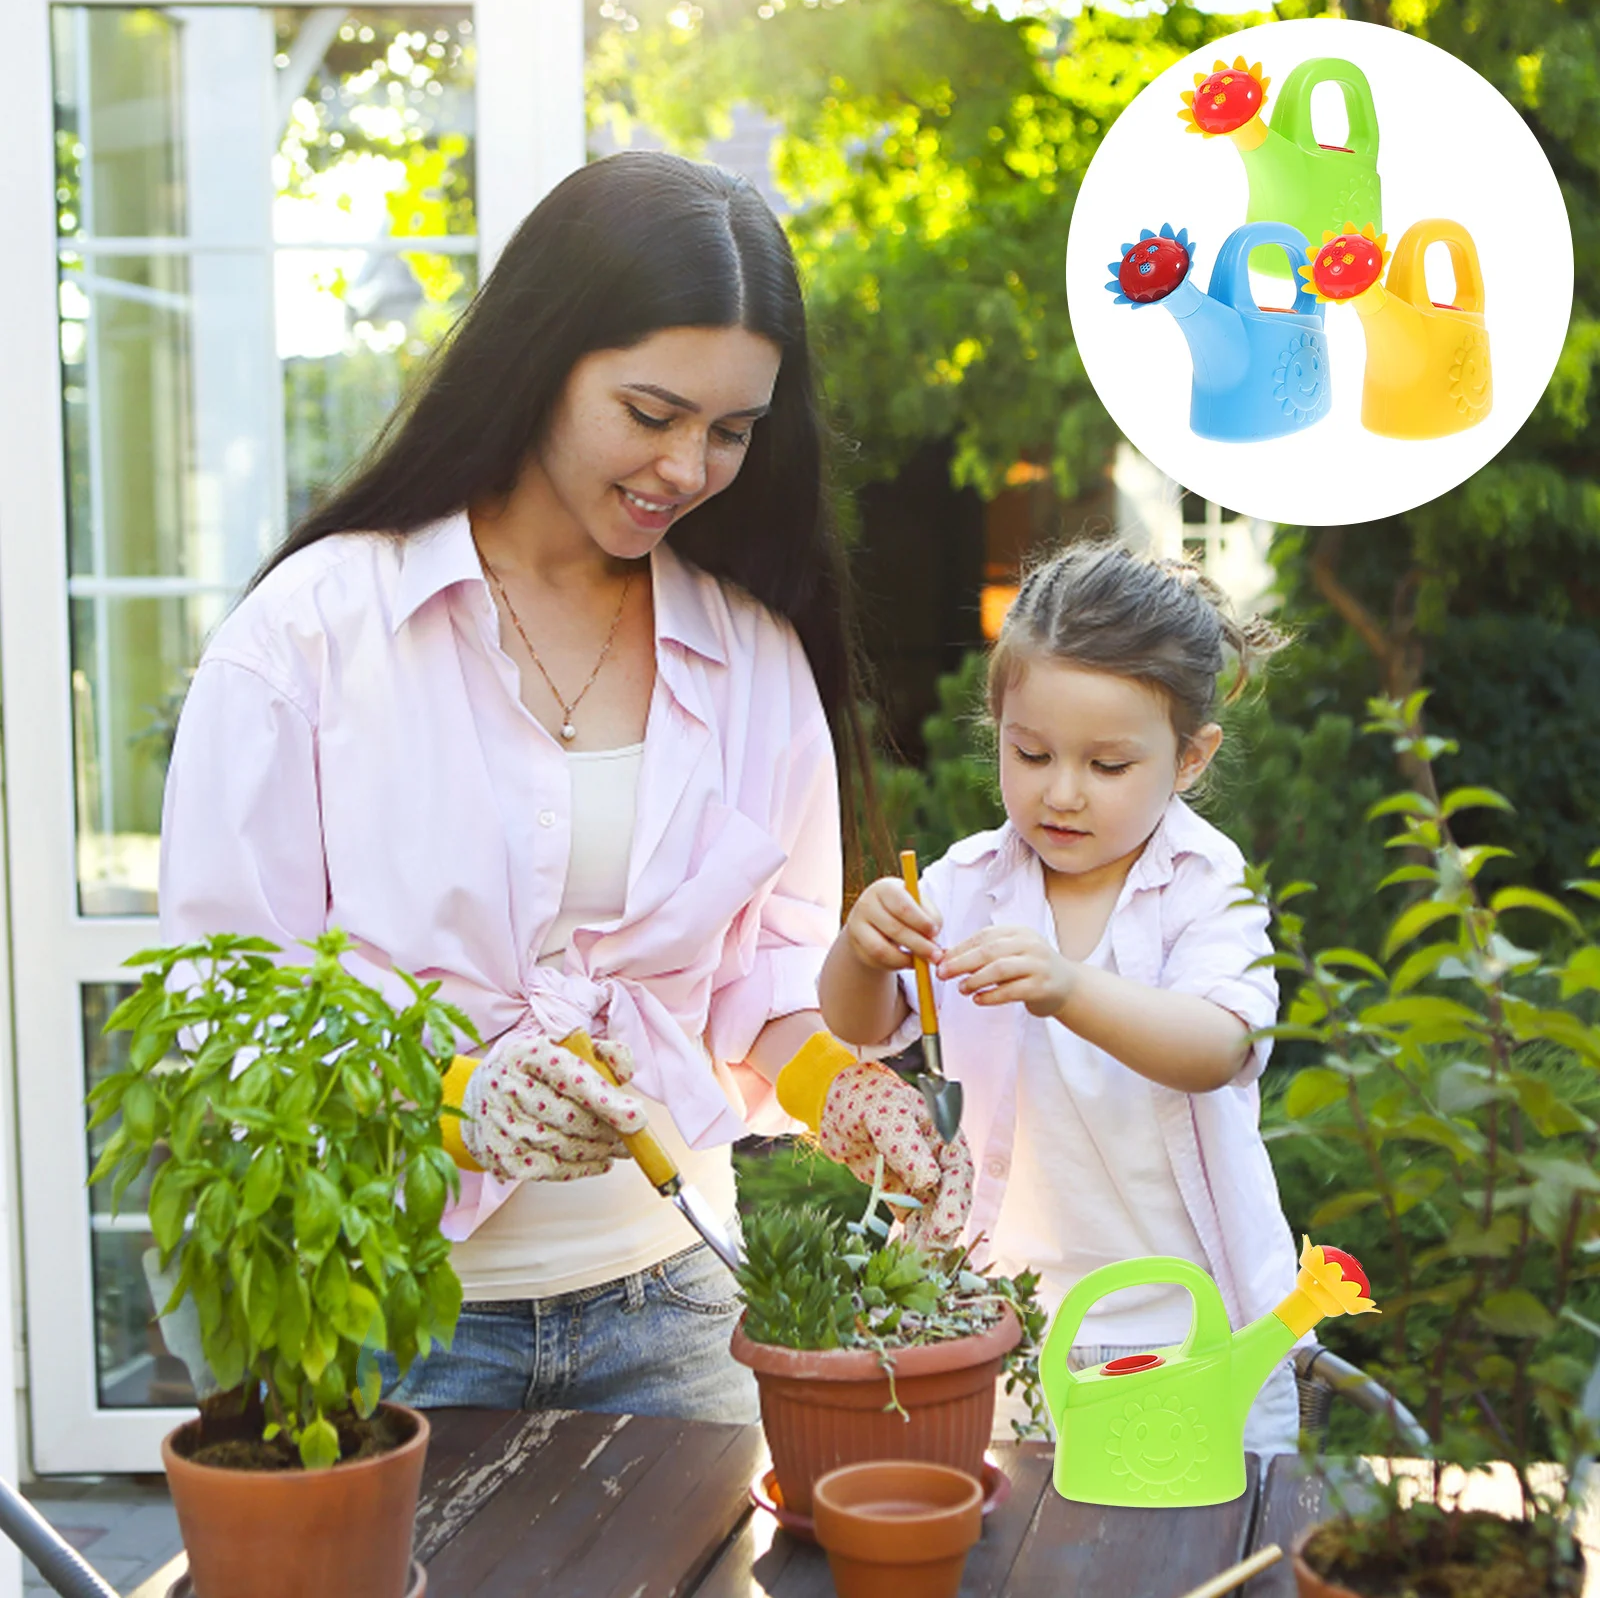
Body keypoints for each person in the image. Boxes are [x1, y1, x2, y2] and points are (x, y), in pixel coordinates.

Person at [158, 151, 972, 1425]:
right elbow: (226, 995)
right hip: (390, 1316)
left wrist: (843, 1090)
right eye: (650, 415)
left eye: (732, 432)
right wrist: (450, 1099)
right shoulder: (313, 634)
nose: (689, 468)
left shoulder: (748, 655)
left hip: (676, 1303)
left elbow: (761, 979)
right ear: (541, 358)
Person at [815, 540, 1303, 1453]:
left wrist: (1072, 987)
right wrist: (862, 950)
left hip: (1180, 1325)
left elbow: (1221, 1048)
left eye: (1108, 767)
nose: (1062, 794)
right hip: (992, 1318)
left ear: (1191, 759)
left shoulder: (1202, 882)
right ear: (996, 721)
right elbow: (864, 1026)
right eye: (1031, 752)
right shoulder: (966, 881)